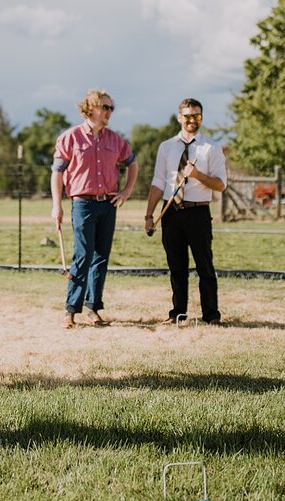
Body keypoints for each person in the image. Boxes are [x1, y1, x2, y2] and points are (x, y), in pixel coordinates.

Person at [51, 88, 138, 328]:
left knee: (101, 258)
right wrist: (56, 206)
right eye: (105, 107)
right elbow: (57, 173)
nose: (109, 112)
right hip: (83, 204)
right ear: (91, 108)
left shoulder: (115, 139)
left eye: (112, 108)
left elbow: (133, 164)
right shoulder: (70, 137)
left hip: (108, 204)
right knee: (83, 255)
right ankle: (70, 310)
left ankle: (93, 307)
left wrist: (126, 191)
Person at [144, 98, 226, 326]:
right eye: (188, 116)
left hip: (198, 212)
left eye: (196, 116)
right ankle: (178, 313)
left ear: (201, 117)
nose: (192, 121)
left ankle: (211, 315)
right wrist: (149, 215)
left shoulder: (211, 147)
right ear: (180, 117)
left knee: (204, 266)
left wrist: (198, 175)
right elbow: (158, 181)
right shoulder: (166, 147)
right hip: (171, 211)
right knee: (176, 266)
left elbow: (221, 185)